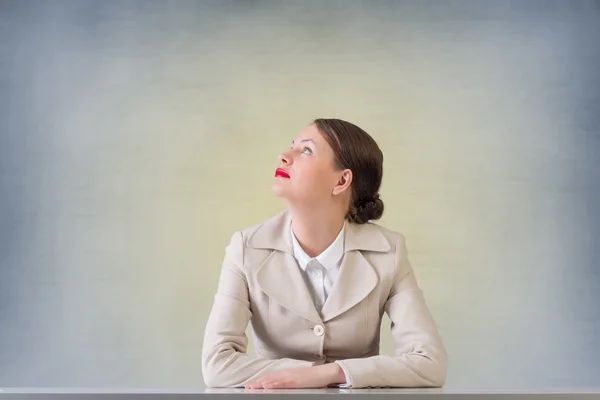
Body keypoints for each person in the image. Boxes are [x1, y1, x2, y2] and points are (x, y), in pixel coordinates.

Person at [201, 118, 448, 389]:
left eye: (305, 150)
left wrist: (330, 374)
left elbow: (429, 363)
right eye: (291, 147)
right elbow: (217, 364)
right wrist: (313, 373)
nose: (284, 157)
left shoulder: (388, 252)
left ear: (342, 180)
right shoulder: (245, 248)